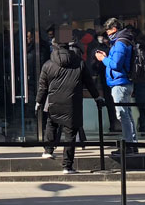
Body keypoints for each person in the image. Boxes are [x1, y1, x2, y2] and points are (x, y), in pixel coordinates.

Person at [36, 41, 105, 174]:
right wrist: (97, 97)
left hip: (54, 101)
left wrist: (39, 101)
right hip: (72, 103)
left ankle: (48, 150)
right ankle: (67, 166)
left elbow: (42, 86)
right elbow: (89, 83)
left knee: (51, 123)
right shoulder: (79, 63)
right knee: (70, 133)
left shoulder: (48, 64)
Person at [94, 17, 140, 154]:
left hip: (120, 83)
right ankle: (132, 143)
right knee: (127, 114)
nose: (107, 34)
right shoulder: (123, 41)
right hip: (122, 82)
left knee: (122, 115)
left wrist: (103, 59)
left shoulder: (120, 43)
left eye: (108, 31)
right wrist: (107, 57)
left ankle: (129, 144)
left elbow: (116, 65)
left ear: (114, 29)